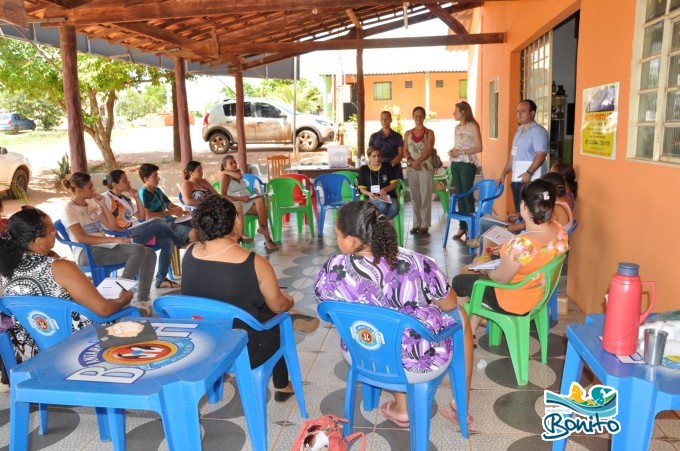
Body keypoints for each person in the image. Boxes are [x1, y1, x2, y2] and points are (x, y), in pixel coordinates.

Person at [314, 201, 474, 428]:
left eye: (337, 234)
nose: (337, 240)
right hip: (417, 360)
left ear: (350, 240)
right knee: (460, 315)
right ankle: (462, 404)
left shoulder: (332, 269)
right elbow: (448, 304)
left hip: (362, 351)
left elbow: (326, 311)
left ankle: (401, 406)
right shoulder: (416, 263)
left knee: (385, 322)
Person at [181, 195, 298, 402]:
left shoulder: (190, 252)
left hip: (201, 345)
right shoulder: (254, 262)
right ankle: (282, 385)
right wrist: (289, 301)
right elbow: (279, 305)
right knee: (277, 316)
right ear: (235, 222)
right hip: (243, 349)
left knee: (261, 310)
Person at [0, 207, 133, 362]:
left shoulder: (6, 270)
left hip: (35, 350)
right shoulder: (59, 267)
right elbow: (103, 310)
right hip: (79, 345)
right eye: (51, 230)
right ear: (39, 242)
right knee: (131, 317)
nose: (56, 232)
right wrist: (124, 299)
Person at [451, 179, 569, 334]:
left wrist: (485, 270)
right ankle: (471, 330)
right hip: (538, 294)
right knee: (482, 271)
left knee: (460, 281)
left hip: (514, 300)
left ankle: (461, 332)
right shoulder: (560, 232)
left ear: (524, 207)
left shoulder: (520, 244)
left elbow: (500, 279)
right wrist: (506, 252)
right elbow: (535, 255)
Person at [61, 172, 155, 315]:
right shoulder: (70, 210)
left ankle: (141, 299)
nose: (94, 190)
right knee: (137, 250)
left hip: (103, 247)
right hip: (86, 252)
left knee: (149, 252)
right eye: (90, 187)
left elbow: (112, 226)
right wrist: (113, 239)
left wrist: (103, 205)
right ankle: (120, 296)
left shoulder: (91, 204)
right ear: (79, 190)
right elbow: (81, 238)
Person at [102, 169, 186, 289]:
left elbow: (141, 217)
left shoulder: (125, 199)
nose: (128, 182)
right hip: (126, 236)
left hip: (138, 231)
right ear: (115, 184)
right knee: (158, 222)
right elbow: (105, 222)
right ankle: (180, 241)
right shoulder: (106, 198)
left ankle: (161, 280)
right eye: (125, 180)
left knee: (167, 241)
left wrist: (136, 198)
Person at [497, 99, 549, 211]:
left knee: (531, 214)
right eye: (518, 111)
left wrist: (529, 173)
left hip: (532, 182)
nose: (519, 114)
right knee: (519, 212)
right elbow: (513, 157)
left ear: (532, 113)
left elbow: (541, 154)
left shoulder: (538, 132)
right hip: (517, 181)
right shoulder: (518, 132)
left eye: (523, 111)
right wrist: (503, 173)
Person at [219, 155, 278, 250]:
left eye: (235, 162)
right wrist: (241, 198)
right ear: (225, 166)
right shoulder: (225, 176)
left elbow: (239, 176)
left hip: (246, 201)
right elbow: (223, 196)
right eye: (231, 163)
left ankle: (263, 229)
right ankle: (267, 239)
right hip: (235, 203)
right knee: (262, 211)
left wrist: (248, 197)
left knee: (260, 199)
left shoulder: (237, 173)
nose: (234, 164)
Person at [449, 101, 483, 241]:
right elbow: (458, 145)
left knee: (467, 196)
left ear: (463, 111)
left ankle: (471, 229)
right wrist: (453, 151)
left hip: (467, 164)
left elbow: (479, 147)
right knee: (459, 195)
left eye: (455, 110)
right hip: (456, 164)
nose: (453, 113)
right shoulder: (457, 127)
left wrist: (461, 152)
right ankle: (462, 227)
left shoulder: (473, 126)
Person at [138, 163, 193, 243]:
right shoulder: (143, 194)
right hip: (161, 225)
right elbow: (148, 216)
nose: (158, 178)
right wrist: (170, 212)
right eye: (155, 176)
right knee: (193, 233)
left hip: (170, 221)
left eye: (157, 175)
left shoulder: (157, 190)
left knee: (197, 224)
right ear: (146, 179)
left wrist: (179, 210)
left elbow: (170, 205)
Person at [404, 106, 435, 235]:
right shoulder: (407, 133)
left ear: (424, 117)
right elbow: (405, 150)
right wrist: (411, 161)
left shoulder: (429, 132)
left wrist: (417, 162)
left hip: (426, 168)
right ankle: (416, 223)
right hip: (411, 169)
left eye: (421, 116)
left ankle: (425, 224)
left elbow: (429, 150)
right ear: (412, 117)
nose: (418, 118)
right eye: (416, 115)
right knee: (414, 197)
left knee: (425, 195)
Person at [357, 146, 400, 220]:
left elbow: (394, 184)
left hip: (389, 197)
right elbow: (362, 189)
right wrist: (369, 194)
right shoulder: (364, 170)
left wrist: (385, 189)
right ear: (369, 157)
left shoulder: (387, 166)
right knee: (383, 205)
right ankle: (382, 224)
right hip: (373, 197)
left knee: (395, 206)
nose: (377, 158)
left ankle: (380, 223)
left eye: (379, 155)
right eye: (374, 156)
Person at [368, 110, 405, 179]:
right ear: (380, 120)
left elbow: (401, 154)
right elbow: (370, 154)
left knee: (396, 188)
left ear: (391, 120)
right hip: (378, 167)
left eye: (386, 119)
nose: (384, 121)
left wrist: (390, 165)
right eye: (382, 119)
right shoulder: (374, 136)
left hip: (394, 168)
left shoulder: (397, 136)